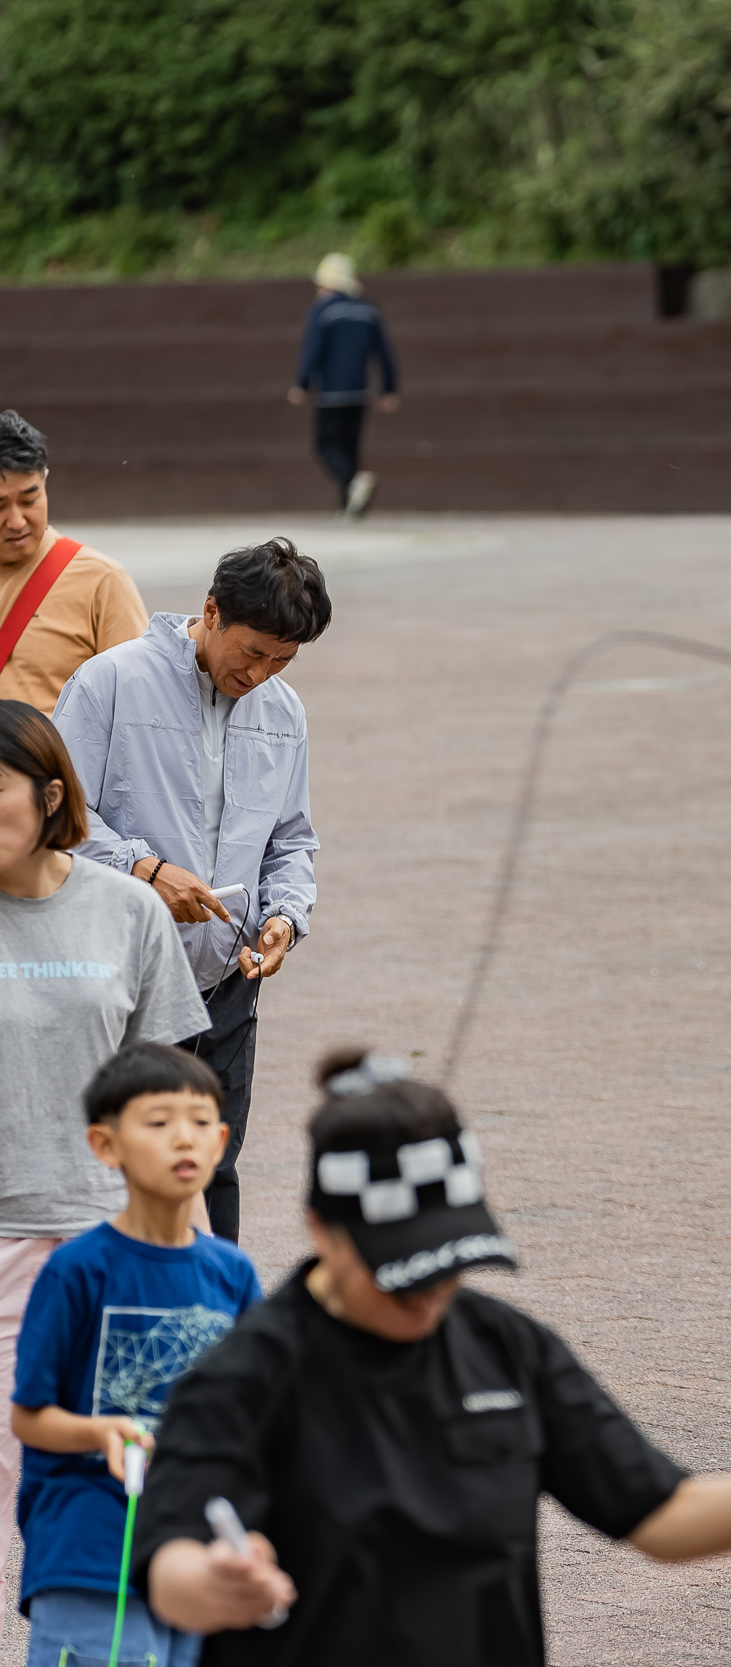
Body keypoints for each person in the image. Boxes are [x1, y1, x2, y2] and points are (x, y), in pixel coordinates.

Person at [128, 1050, 731, 1664]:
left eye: (448, 1262)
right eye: (399, 1268)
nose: (429, 1293)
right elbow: (168, 1568)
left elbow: (660, 1515)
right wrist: (216, 1586)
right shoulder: (246, 1375)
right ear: (319, 1229)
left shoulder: (504, 1348)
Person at [53, 538, 330, 1243]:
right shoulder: (108, 681)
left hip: (230, 976)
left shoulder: (285, 710)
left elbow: (291, 841)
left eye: (283, 660)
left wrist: (286, 919)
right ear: (210, 610)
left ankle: (218, 1339)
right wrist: (144, 869)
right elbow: (59, 817)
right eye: (253, 651)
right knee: (121, 1164)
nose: (261, 673)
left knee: (215, 1162)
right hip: (123, 970)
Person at [0, 703, 208, 1544]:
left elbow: (166, 1103)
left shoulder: (129, 911)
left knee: (123, 1489)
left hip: (111, 1238)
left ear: (51, 795)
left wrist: (177, 1247)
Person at [11, 1045, 260, 1667]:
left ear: (222, 1139)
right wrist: (103, 1432)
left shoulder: (233, 1275)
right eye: (158, 1122)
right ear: (105, 1145)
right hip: (89, 1553)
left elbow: (261, 1408)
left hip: (200, 1552)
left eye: (201, 1123)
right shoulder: (76, 1270)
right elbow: (28, 1416)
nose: (185, 1140)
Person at [0, 410, 147, 714]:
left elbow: (138, 707)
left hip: (52, 762)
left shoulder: (101, 581)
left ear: (45, 481)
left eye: (29, 500)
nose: (16, 521)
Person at [286, 254, 398, 519]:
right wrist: (389, 388)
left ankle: (353, 481)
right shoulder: (368, 310)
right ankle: (350, 505)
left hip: (331, 392)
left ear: (326, 284)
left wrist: (301, 384)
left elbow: (312, 350)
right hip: (360, 393)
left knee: (325, 444)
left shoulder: (323, 311)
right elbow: (384, 353)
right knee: (349, 447)